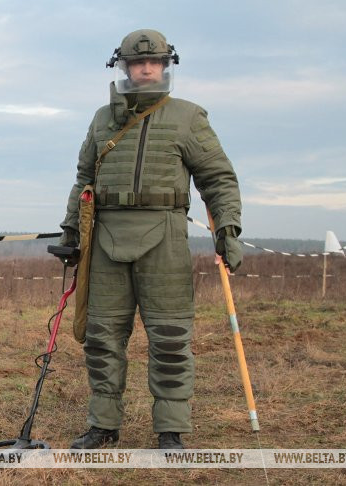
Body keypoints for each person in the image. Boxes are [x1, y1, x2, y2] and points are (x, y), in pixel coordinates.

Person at [58, 29, 243, 449]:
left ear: (165, 65)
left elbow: (218, 179)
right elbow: (84, 180)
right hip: (105, 238)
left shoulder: (189, 117)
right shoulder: (102, 119)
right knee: (102, 337)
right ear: (123, 67)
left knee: (170, 337)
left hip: (165, 239)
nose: (146, 68)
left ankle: (171, 429)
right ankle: (103, 426)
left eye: (154, 62)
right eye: (137, 62)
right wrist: (72, 230)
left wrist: (228, 229)